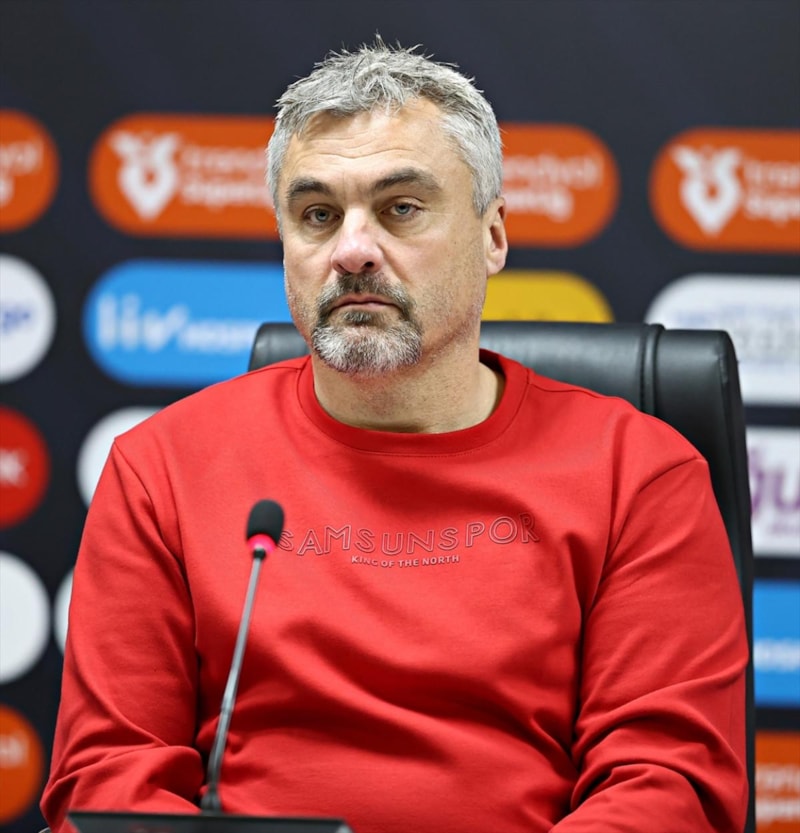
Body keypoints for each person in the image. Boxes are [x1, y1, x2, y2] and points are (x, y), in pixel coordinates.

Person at [42, 38, 748, 833]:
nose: (351, 251)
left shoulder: (638, 473)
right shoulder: (163, 468)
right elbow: (109, 774)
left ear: (493, 236)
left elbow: (667, 786)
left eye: (400, 208)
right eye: (317, 215)